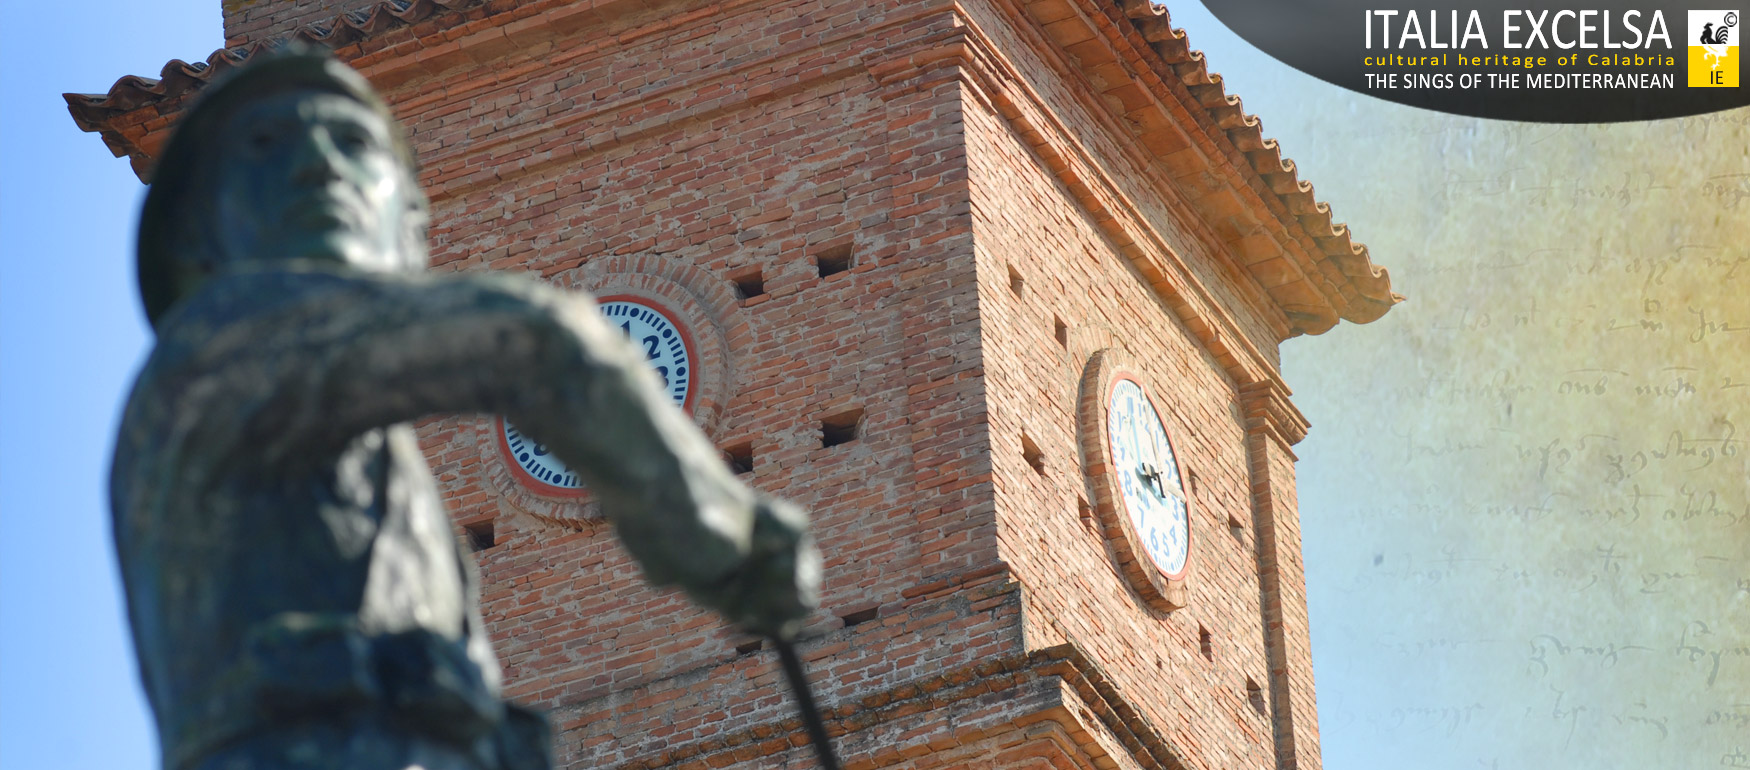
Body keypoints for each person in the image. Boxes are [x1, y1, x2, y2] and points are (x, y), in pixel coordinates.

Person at [111, 48, 819, 770]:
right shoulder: (219, 350)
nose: (318, 163)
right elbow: (539, 343)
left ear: (411, 225)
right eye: (266, 146)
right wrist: (715, 529)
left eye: (354, 143)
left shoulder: (369, 464)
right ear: (201, 237)